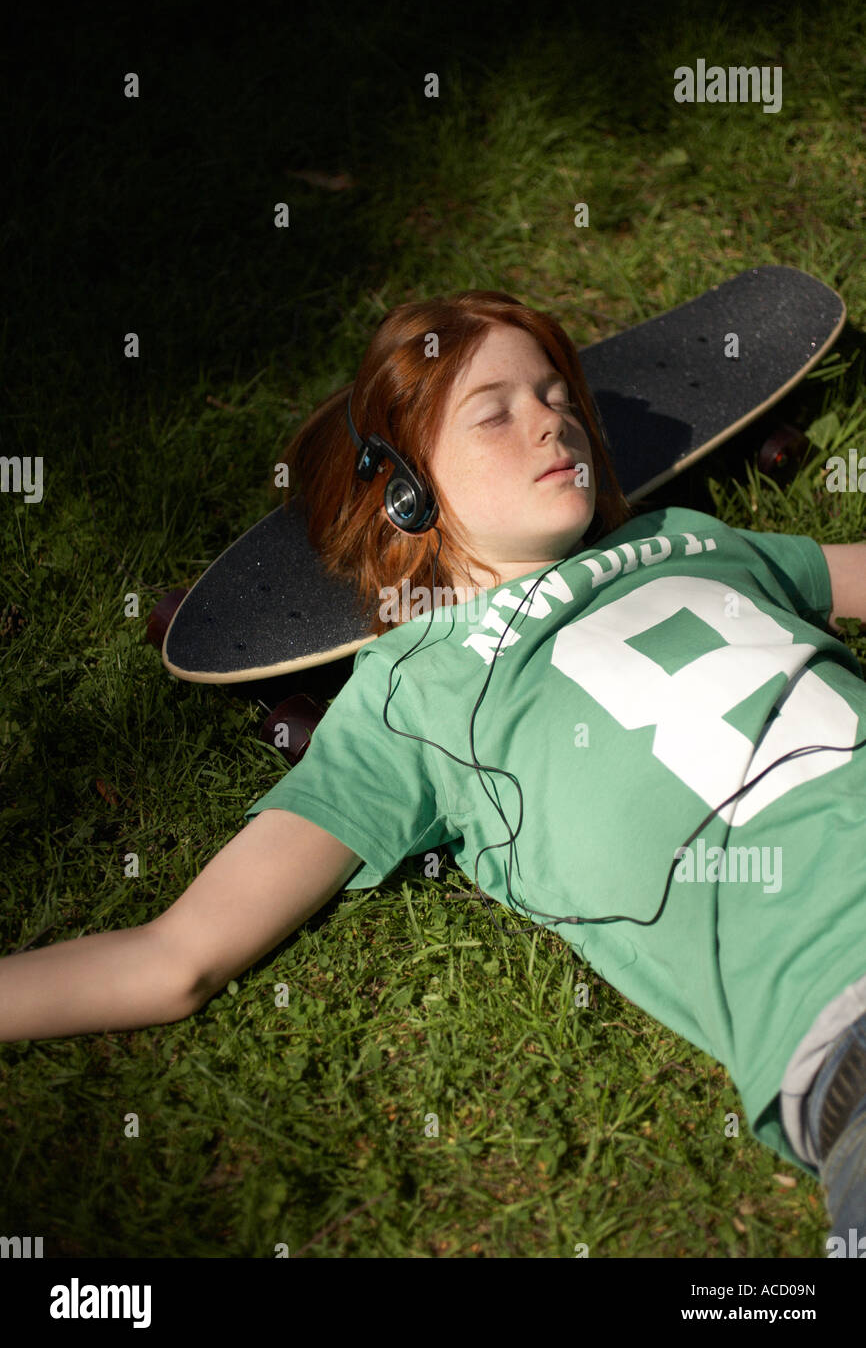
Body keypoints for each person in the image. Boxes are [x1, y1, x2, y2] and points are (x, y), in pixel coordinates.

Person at [2, 289, 866, 1254]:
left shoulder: (694, 542)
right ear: (406, 491)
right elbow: (175, 959)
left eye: (556, 396)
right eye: (494, 412)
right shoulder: (410, 698)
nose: (550, 420)